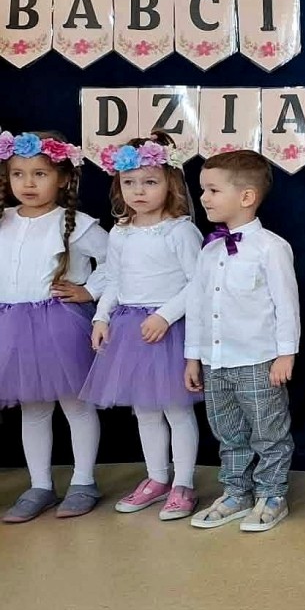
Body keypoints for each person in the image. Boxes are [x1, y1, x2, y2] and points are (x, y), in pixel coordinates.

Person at [81, 132, 203, 521]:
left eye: (150, 182)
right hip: (130, 329)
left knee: (177, 411)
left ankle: (183, 483)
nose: (138, 191)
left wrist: (165, 315)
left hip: (169, 330)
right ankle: (157, 478)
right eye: (129, 182)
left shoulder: (180, 231)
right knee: (146, 411)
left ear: (171, 183)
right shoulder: (120, 232)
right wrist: (101, 316)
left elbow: (199, 283)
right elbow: (115, 280)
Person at [184, 150, 300, 533]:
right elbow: (197, 306)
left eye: (213, 190)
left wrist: (286, 355)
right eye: (203, 189)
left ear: (247, 196)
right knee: (227, 432)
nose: (204, 198)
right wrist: (193, 357)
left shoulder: (271, 247)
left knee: (268, 431)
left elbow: (286, 305)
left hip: (258, 360)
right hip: (216, 362)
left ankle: (272, 494)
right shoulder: (209, 249)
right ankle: (236, 492)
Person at [0, 131, 107, 522]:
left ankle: (83, 481)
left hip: (59, 325)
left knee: (76, 405)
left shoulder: (77, 224)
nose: (28, 183)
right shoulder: (4, 221)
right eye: (18, 174)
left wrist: (89, 290)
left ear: (62, 178)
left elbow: (117, 260)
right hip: (11, 327)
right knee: (33, 410)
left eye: (40, 174)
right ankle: (40, 485)